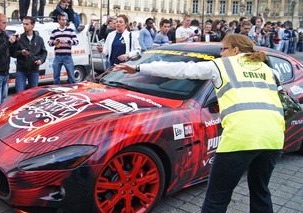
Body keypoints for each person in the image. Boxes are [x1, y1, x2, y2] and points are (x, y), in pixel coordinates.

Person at [115, 33, 284, 213]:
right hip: (273, 138)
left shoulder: (222, 66)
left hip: (241, 138)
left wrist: (139, 68)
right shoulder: (270, 71)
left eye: (223, 49)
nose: (221, 54)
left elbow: (181, 70)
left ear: (235, 50)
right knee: (261, 191)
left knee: (217, 197)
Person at [10, 16, 47, 93]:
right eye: (23, 24)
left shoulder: (39, 39)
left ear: (33, 25)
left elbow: (44, 52)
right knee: (20, 93)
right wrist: (21, 53)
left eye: (27, 24)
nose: (24, 26)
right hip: (21, 69)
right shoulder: (20, 38)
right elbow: (13, 53)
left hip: (34, 69)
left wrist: (41, 60)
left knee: (33, 94)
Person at [48, 13, 79, 84]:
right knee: (56, 76)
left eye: (65, 20)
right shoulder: (55, 32)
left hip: (67, 56)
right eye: (62, 20)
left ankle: (72, 90)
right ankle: (57, 90)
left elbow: (76, 41)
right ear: (58, 20)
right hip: (58, 56)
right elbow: (50, 43)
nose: (64, 21)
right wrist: (54, 42)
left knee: (71, 75)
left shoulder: (70, 31)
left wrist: (68, 41)